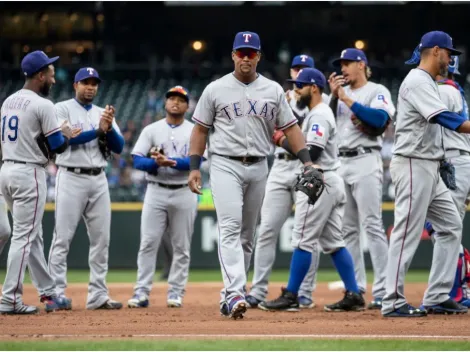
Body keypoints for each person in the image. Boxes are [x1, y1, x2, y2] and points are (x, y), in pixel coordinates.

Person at [187, 31, 318, 320]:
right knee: (231, 228)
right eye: (241, 52)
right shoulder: (215, 89)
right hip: (224, 164)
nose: (245, 57)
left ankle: (228, 296)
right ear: (233, 55)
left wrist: (307, 163)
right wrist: (194, 166)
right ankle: (235, 292)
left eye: (251, 52)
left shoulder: (272, 90)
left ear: (258, 56)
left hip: (260, 164)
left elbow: (291, 128)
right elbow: (199, 130)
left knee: (248, 236)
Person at [259, 68, 365, 312]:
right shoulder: (316, 114)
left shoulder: (319, 115)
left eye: (301, 85)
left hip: (320, 179)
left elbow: (313, 153)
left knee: (303, 239)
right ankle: (354, 294)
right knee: (333, 242)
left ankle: (292, 295)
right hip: (328, 179)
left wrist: (280, 139)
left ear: (314, 88)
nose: (296, 89)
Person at [382, 31, 470, 317]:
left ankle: (437, 295)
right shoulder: (417, 80)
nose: (451, 59)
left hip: (430, 165)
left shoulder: (428, 82)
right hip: (412, 163)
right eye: (449, 53)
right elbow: (444, 118)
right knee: (406, 232)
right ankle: (392, 301)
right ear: (435, 51)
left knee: (451, 226)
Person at [0, 51, 75, 314]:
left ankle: (48, 291)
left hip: (7, 171)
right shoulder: (43, 105)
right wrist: (65, 135)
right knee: (24, 237)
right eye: (51, 74)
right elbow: (58, 147)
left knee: (33, 235)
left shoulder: (8, 101)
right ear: (40, 75)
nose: (54, 80)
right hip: (29, 174)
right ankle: (10, 299)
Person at [246, 54, 320, 310]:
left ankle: (304, 292)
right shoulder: (279, 97)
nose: (299, 73)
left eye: (304, 69)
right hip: (279, 166)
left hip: (306, 167)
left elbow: (307, 140)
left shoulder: (319, 102)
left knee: (306, 235)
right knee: (266, 229)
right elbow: (266, 129)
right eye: (296, 69)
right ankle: (257, 290)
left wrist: (281, 133)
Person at [47, 67, 124, 310]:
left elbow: (119, 146)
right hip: (70, 175)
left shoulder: (104, 113)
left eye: (94, 83)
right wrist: (98, 130)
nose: (90, 87)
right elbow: (66, 140)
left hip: (98, 178)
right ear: (75, 85)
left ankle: (98, 295)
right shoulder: (60, 108)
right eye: (85, 82)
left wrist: (108, 129)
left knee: (102, 240)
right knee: (62, 239)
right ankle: (56, 293)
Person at [328, 48, 396, 310]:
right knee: (347, 231)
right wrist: (335, 98)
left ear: (361, 65)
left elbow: (379, 119)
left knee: (372, 225)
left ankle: (383, 290)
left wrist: (345, 98)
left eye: (347, 63)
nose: (342, 68)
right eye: (340, 64)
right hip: (340, 162)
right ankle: (355, 291)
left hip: (366, 159)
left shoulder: (377, 90)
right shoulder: (337, 96)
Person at [406, 46, 470, 308]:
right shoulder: (454, 90)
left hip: (452, 160)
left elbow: (439, 123)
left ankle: (454, 292)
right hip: (457, 160)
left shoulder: (444, 90)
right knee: (448, 228)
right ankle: (455, 290)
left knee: (445, 229)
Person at [128, 86, 198, 309]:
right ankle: (141, 292)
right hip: (155, 189)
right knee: (148, 243)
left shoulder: (195, 130)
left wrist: (173, 162)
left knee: (182, 246)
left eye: (180, 100)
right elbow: (137, 160)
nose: (175, 102)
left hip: (184, 190)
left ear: (187, 106)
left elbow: (198, 161)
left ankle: (176, 292)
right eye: (171, 99)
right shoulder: (151, 129)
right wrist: (155, 163)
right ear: (165, 104)